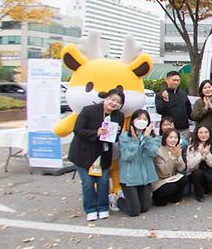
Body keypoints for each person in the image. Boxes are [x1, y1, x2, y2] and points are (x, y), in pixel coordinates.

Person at [68, 88, 125, 221]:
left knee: (103, 182)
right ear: (106, 98)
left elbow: (115, 139)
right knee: (88, 183)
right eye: (112, 99)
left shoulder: (119, 116)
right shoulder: (88, 110)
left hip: (103, 154)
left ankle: (103, 207)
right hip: (83, 154)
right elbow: (78, 130)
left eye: (118, 102)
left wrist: (116, 134)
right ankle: (91, 209)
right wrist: (96, 133)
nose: (114, 103)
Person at [117, 109, 160, 217]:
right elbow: (127, 157)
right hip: (129, 178)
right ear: (133, 121)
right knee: (134, 211)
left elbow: (153, 153)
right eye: (139, 118)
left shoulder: (151, 136)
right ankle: (118, 200)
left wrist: (147, 138)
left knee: (145, 208)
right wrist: (135, 141)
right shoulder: (124, 136)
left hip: (145, 178)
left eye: (145, 119)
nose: (142, 121)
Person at [151, 129, 188, 206]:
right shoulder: (159, 151)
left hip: (173, 177)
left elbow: (182, 168)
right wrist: (173, 157)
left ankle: (174, 198)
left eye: (175, 138)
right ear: (165, 139)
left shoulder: (177, 149)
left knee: (184, 179)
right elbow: (164, 171)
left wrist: (178, 157)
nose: (173, 140)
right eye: (170, 137)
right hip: (161, 180)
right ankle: (158, 198)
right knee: (171, 188)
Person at [185, 125, 212, 201]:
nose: (203, 135)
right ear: (197, 134)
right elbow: (190, 165)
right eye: (200, 132)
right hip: (195, 172)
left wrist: (207, 154)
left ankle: (205, 188)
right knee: (198, 173)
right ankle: (198, 193)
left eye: (206, 132)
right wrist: (200, 154)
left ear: (209, 133)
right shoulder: (191, 147)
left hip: (209, 171)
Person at [155, 71, 192, 142]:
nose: (176, 82)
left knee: (183, 149)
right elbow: (159, 110)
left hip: (183, 129)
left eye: (178, 80)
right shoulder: (161, 94)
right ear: (167, 80)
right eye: (174, 80)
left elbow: (189, 110)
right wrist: (165, 100)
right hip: (168, 129)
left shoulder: (183, 93)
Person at [190, 80, 212, 146]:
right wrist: (205, 108)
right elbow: (193, 116)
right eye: (205, 88)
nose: (207, 89)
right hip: (201, 133)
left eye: (209, 87)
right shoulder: (199, 102)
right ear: (202, 90)